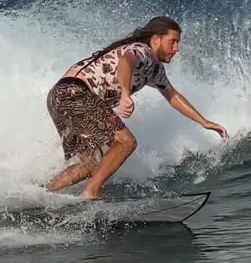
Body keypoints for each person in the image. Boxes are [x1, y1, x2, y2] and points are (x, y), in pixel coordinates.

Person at [46, 16, 228, 199]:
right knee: (126, 142)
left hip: (58, 97)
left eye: (178, 43)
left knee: (90, 165)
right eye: (172, 42)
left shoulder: (155, 69)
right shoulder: (142, 51)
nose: (176, 49)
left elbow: (172, 95)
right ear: (156, 39)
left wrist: (204, 122)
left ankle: (45, 193)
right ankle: (90, 193)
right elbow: (126, 62)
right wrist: (125, 94)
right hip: (74, 93)